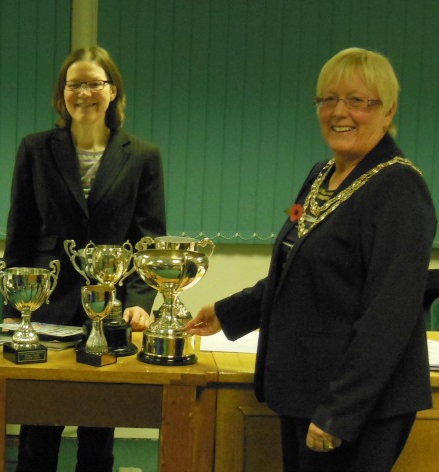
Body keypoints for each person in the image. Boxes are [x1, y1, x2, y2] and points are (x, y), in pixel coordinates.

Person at [186, 47, 436, 472]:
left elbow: (387, 319)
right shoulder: (322, 176)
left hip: (357, 408)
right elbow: (297, 269)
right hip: (305, 387)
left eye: (358, 101)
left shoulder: (399, 190)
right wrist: (229, 313)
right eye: (328, 99)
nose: (340, 112)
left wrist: (339, 412)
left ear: (388, 111)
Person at [1, 46, 167, 472]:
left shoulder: (143, 156)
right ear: (62, 95)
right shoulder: (36, 149)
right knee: (38, 434)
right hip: (45, 307)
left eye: (95, 83)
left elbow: (147, 238)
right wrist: (12, 312)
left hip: (109, 311)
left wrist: (139, 301)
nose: (84, 93)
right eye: (74, 84)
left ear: (113, 92)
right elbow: (20, 234)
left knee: (99, 431)